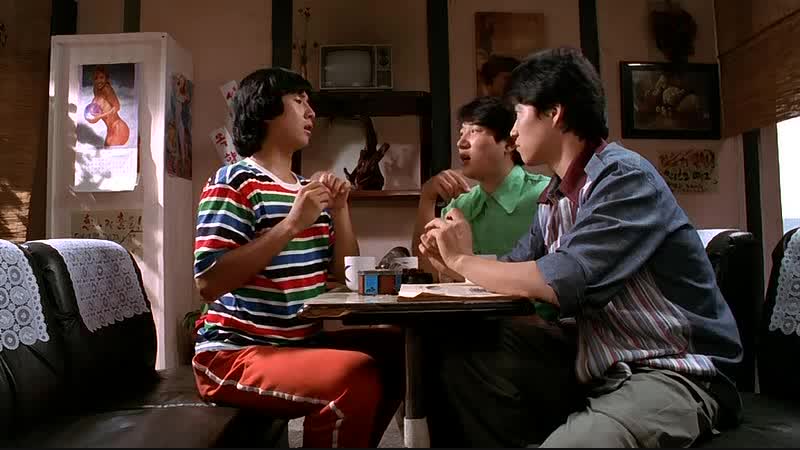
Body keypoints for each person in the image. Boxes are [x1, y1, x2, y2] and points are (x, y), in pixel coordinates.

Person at [419, 47, 743, 448]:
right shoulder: (553, 198)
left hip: (672, 369)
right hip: (597, 362)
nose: (512, 131)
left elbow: (561, 280)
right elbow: (514, 270)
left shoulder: (623, 178)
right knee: (456, 351)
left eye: (518, 114)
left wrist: (461, 259)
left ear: (554, 112)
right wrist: (452, 261)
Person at [191, 67, 402, 448]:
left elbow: (344, 275)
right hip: (233, 353)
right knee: (354, 376)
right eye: (298, 101)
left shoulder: (308, 190)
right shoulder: (233, 181)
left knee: (398, 353)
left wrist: (340, 209)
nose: (311, 112)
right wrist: (290, 224)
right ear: (265, 110)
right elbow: (208, 282)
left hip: (300, 344)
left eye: (310, 103)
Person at [411, 96, 556, 319]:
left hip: (533, 324)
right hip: (470, 321)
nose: (461, 142)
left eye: (475, 131)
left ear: (509, 143)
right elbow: (427, 273)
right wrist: (427, 198)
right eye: (461, 133)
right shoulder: (459, 206)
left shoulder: (545, 196)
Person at [86, 65, 130, 147]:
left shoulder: (107, 89)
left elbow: (117, 107)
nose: (99, 80)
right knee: (105, 152)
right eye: (96, 78)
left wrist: (100, 116)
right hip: (110, 130)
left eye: (101, 77)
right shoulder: (96, 90)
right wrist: (91, 118)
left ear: (106, 79)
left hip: (119, 128)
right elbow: (98, 113)